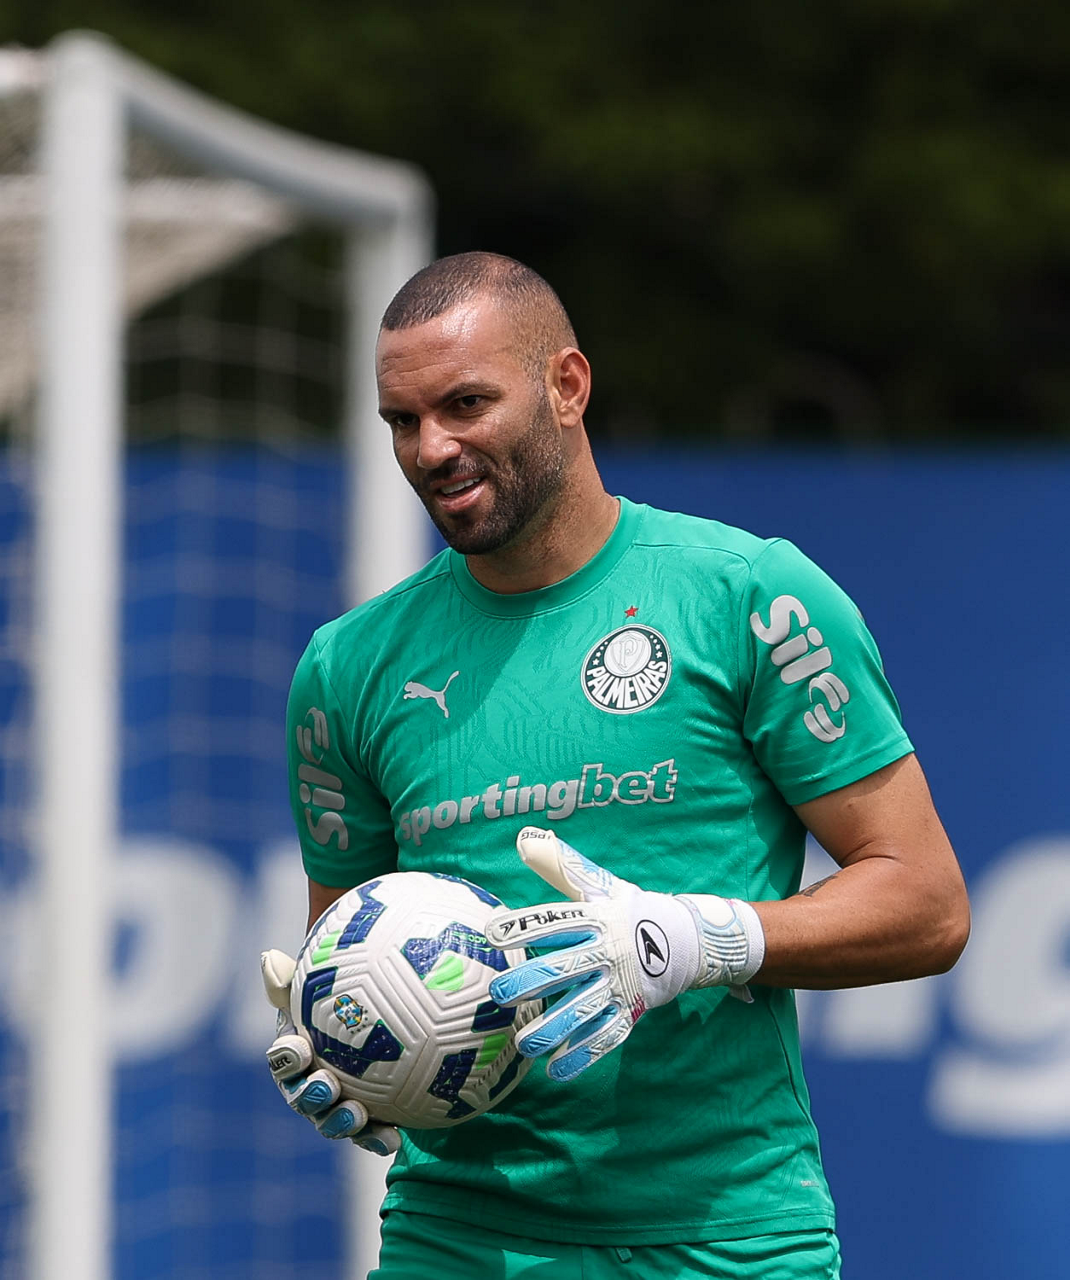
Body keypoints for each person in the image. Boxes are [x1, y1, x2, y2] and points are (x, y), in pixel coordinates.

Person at [262, 252, 970, 1279]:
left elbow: (926, 904)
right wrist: (345, 1050)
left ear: (567, 385)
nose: (432, 448)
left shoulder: (750, 596)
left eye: (466, 404)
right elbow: (349, 937)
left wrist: (695, 938)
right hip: (456, 1238)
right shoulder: (346, 669)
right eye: (402, 421)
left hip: (727, 1237)